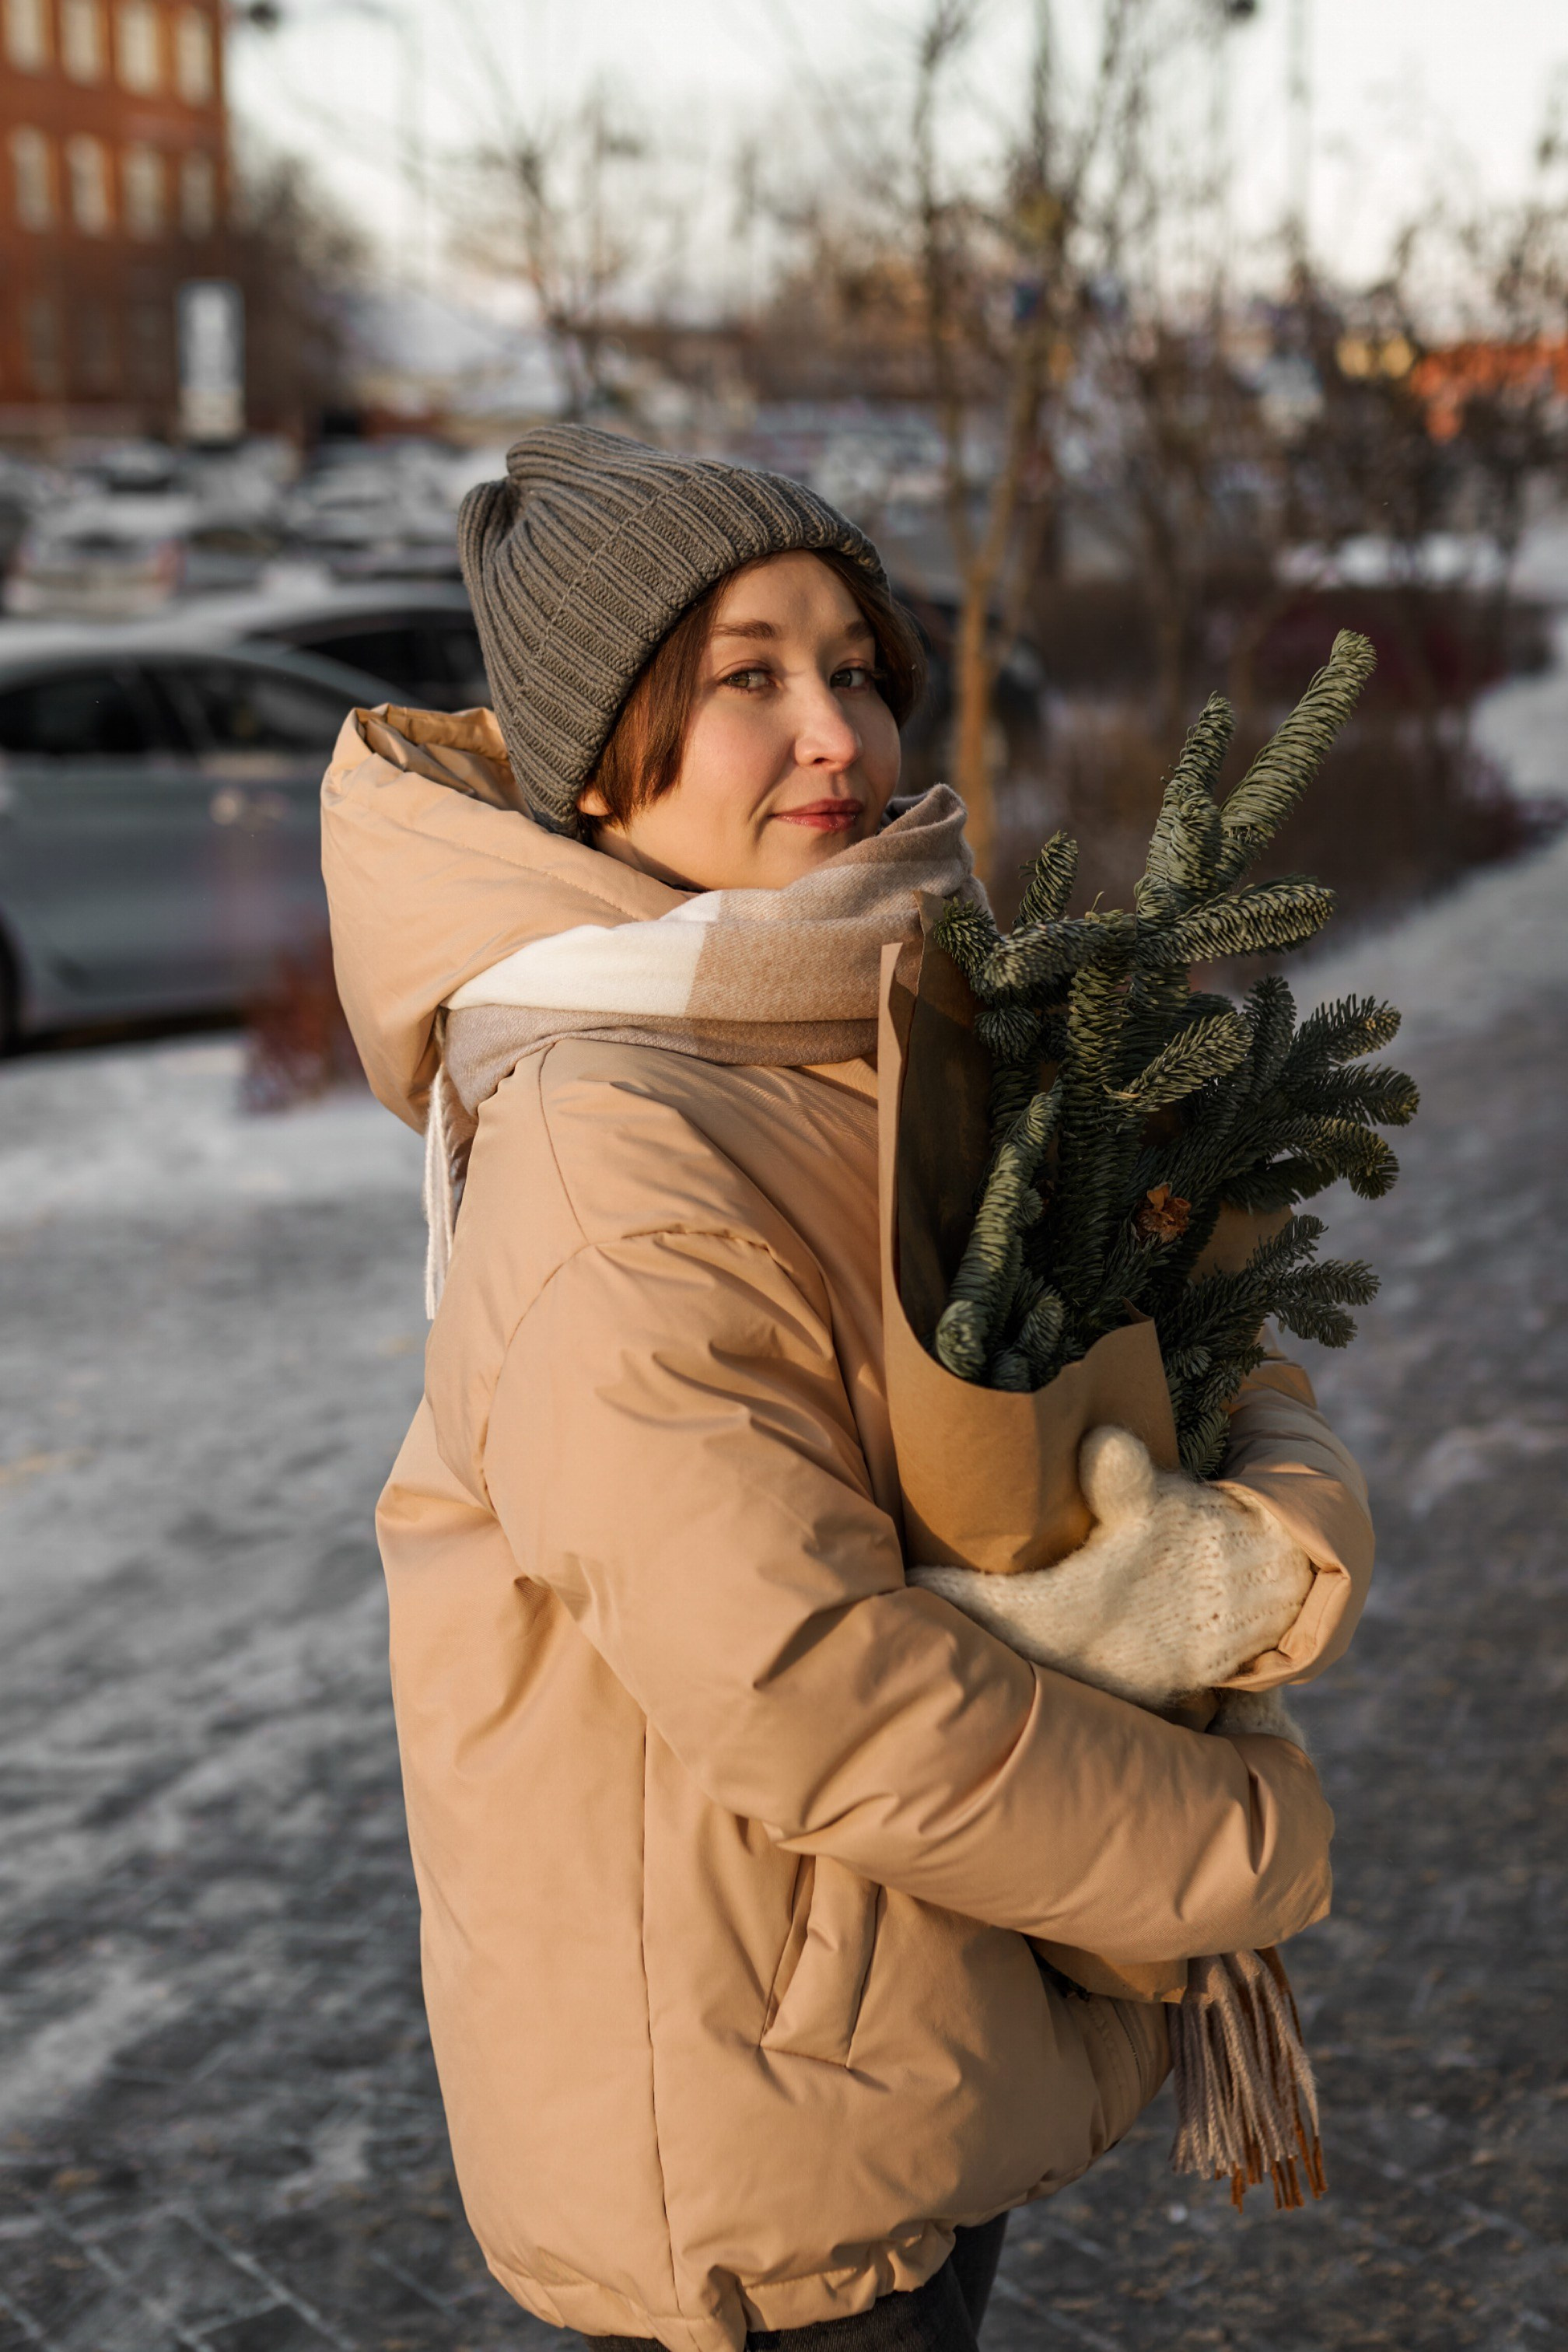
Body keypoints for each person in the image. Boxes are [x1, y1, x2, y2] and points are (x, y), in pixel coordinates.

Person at [321, 426, 1373, 2352]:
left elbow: (1145, 1342)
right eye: (748, 677)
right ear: (594, 750)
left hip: (907, 2021)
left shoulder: (838, 1025)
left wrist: (1260, 1525)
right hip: (752, 2126)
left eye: (859, 669)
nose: (838, 731)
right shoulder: (604, 1139)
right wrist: (1231, 1852)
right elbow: (803, 1680)